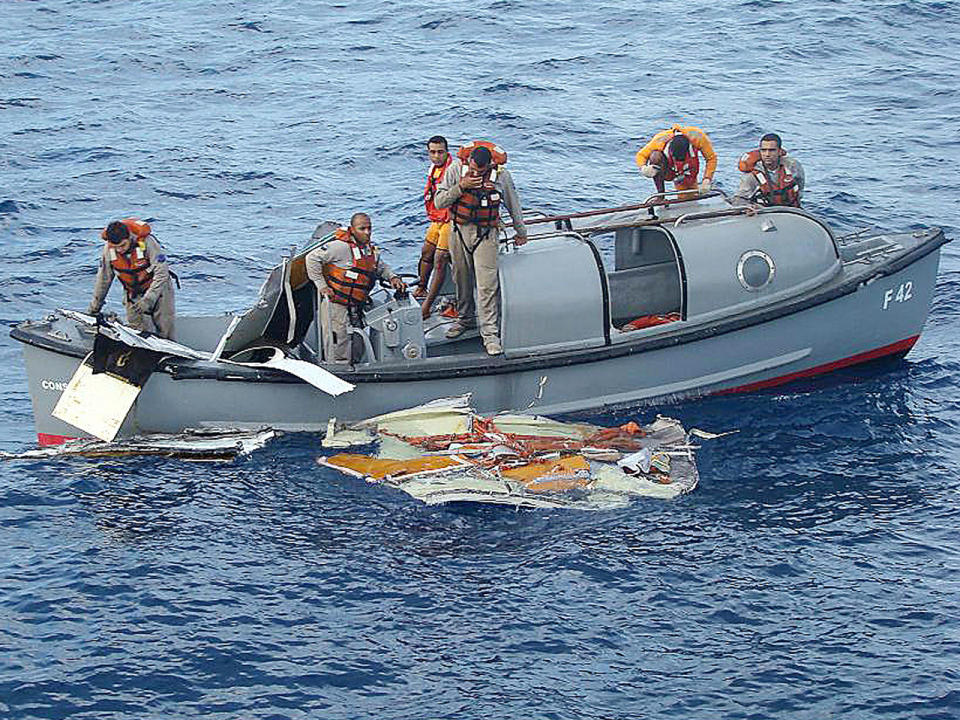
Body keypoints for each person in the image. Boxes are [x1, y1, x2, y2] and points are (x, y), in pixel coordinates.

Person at [432, 140, 527, 356]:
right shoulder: (456, 169)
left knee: (487, 285)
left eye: (479, 171)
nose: (475, 173)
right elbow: (439, 202)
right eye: (472, 169)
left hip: (487, 234)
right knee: (461, 278)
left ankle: (490, 334)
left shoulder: (502, 176)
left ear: (489, 167)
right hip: (459, 231)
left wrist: (521, 232)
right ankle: (465, 319)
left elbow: (513, 203)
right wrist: (461, 187)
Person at [305, 212, 406, 364]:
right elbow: (312, 259)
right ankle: (338, 371)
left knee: (357, 345)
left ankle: (356, 368)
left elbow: (379, 267)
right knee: (339, 345)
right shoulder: (340, 248)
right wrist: (322, 285)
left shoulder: (368, 250)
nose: (367, 233)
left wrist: (392, 277)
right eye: (362, 229)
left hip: (356, 306)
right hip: (336, 305)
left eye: (369, 228)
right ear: (352, 229)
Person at [87, 218, 176, 339]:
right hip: (132, 293)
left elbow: (162, 273)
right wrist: (94, 308)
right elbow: (103, 279)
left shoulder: (148, 243)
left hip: (159, 289)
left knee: (164, 329)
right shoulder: (108, 250)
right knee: (135, 331)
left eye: (123, 245)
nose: (120, 250)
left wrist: (149, 299)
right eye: (115, 247)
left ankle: (169, 351)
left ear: (129, 237)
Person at [415, 135, 454, 320]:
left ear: (447, 152)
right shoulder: (434, 169)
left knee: (440, 259)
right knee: (426, 253)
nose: (436, 156)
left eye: (440, 152)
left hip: (449, 220)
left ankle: (427, 305)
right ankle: (422, 287)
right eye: (432, 152)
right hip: (436, 219)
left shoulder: (453, 170)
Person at [635, 123, 717, 197]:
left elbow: (711, 158)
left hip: (688, 167)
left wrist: (707, 179)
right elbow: (641, 155)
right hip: (669, 167)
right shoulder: (660, 140)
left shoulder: (698, 137)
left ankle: (689, 189)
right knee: (655, 156)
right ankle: (660, 195)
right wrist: (644, 168)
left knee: (687, 196)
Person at [733, 133, 805, 207]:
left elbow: (800, 186)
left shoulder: (793, 166)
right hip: (764, 212)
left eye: (772, 150)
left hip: (790, 209)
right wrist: (749, 207)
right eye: (764, 150)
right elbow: (739, 200)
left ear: (779, 151)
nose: (767, 154)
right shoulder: (751, 176)